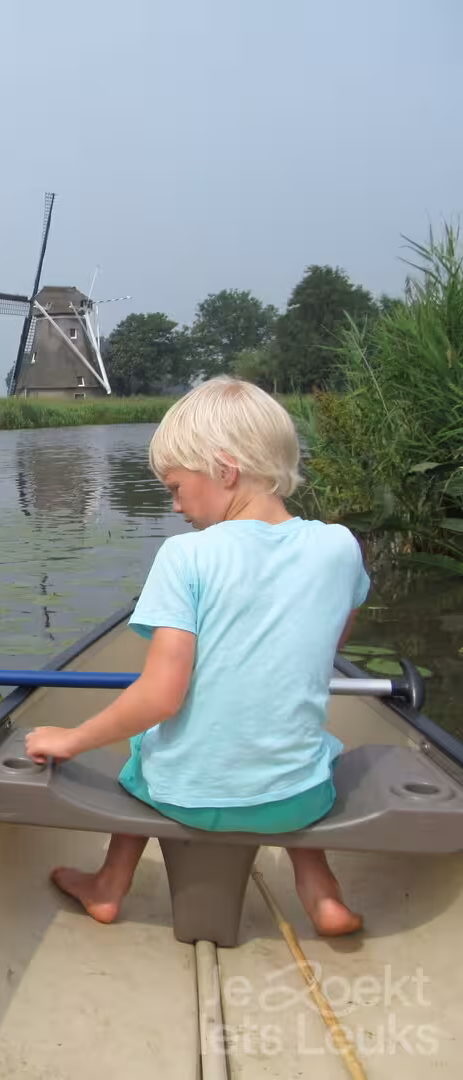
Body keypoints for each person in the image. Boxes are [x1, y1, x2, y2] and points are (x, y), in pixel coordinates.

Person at [24, 377, 370, 938]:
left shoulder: (186, 556)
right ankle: (323, 896)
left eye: (176, 487)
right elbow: (328, 648)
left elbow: (161, 696)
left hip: (188, 799)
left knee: (145, 749)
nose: (176, 505)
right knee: (314, 752)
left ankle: (109, 886)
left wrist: (70, 738)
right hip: (298, 800)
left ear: (225, 470)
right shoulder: (339, 546)